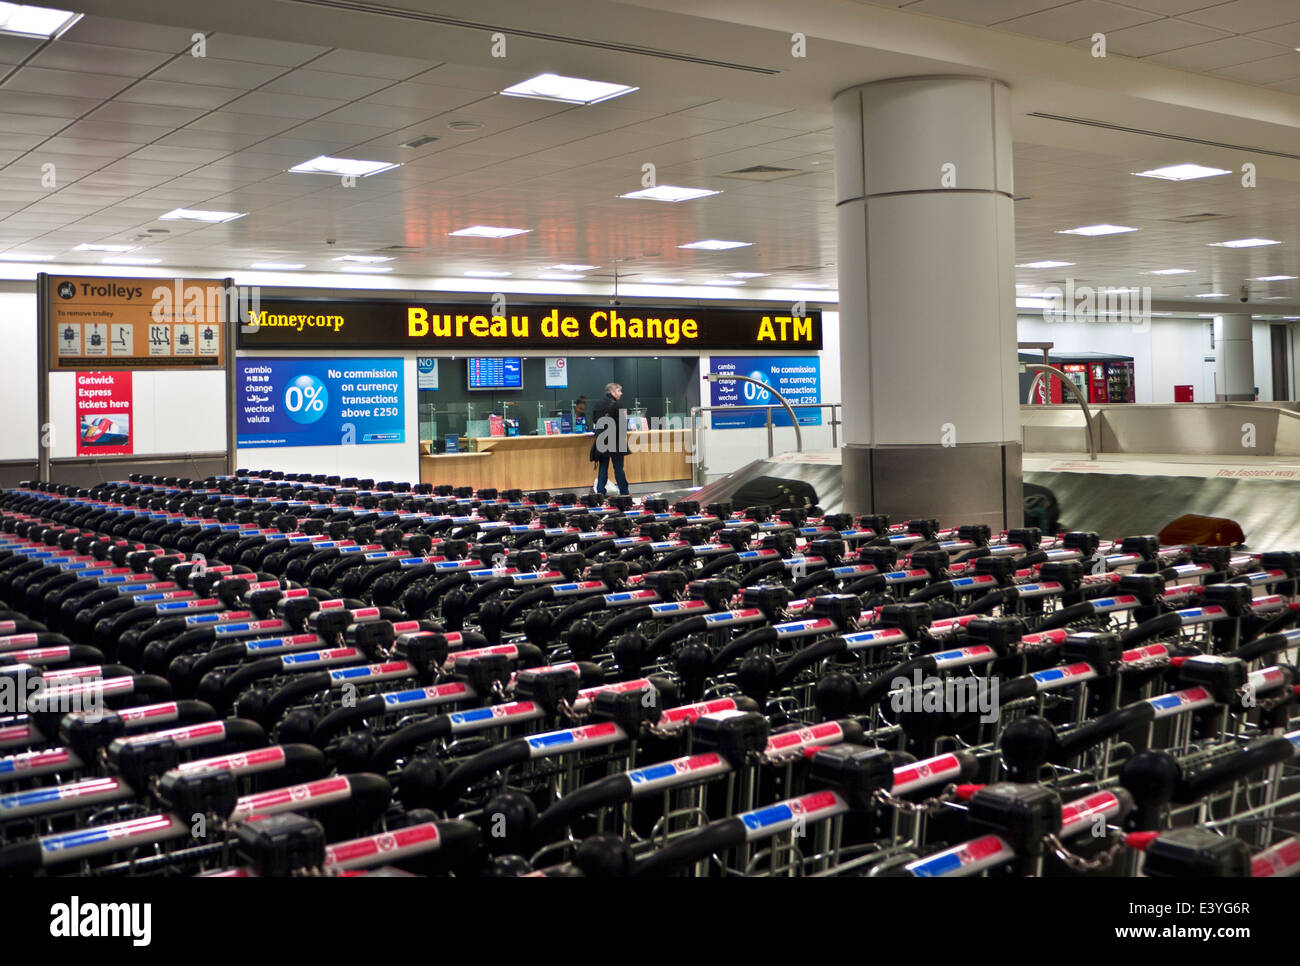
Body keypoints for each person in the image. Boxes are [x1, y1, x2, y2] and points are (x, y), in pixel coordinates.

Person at [588, 382, 629, 496]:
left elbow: (595, 422)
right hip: (616, 441)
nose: (621, 393)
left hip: (602, 439)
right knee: (618, 468)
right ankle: (624, 492)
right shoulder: (618, 405)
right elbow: (622, 425)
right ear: (612, 392)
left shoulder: (598, 404)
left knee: (603, 467)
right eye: (619, 391)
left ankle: (601, 492)